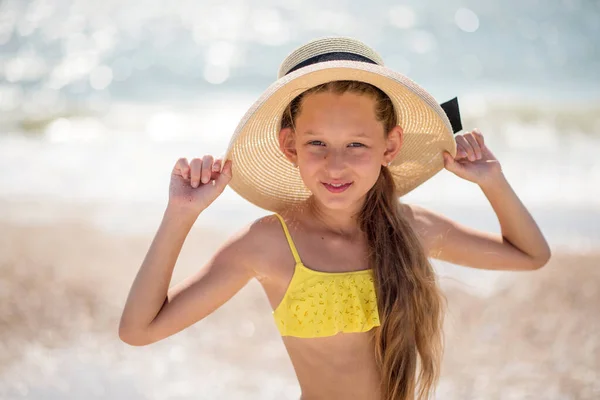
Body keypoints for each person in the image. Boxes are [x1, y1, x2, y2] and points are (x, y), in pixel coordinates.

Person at [118, 37, 551, 400]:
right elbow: (139, 330)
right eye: (318, 143)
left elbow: (530, 255)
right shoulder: (269, 245)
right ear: (290, 146)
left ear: (391, 145)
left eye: (357, 145)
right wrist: (181, 214)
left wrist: (492, 181)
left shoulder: (413, 230)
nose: (336, 166)